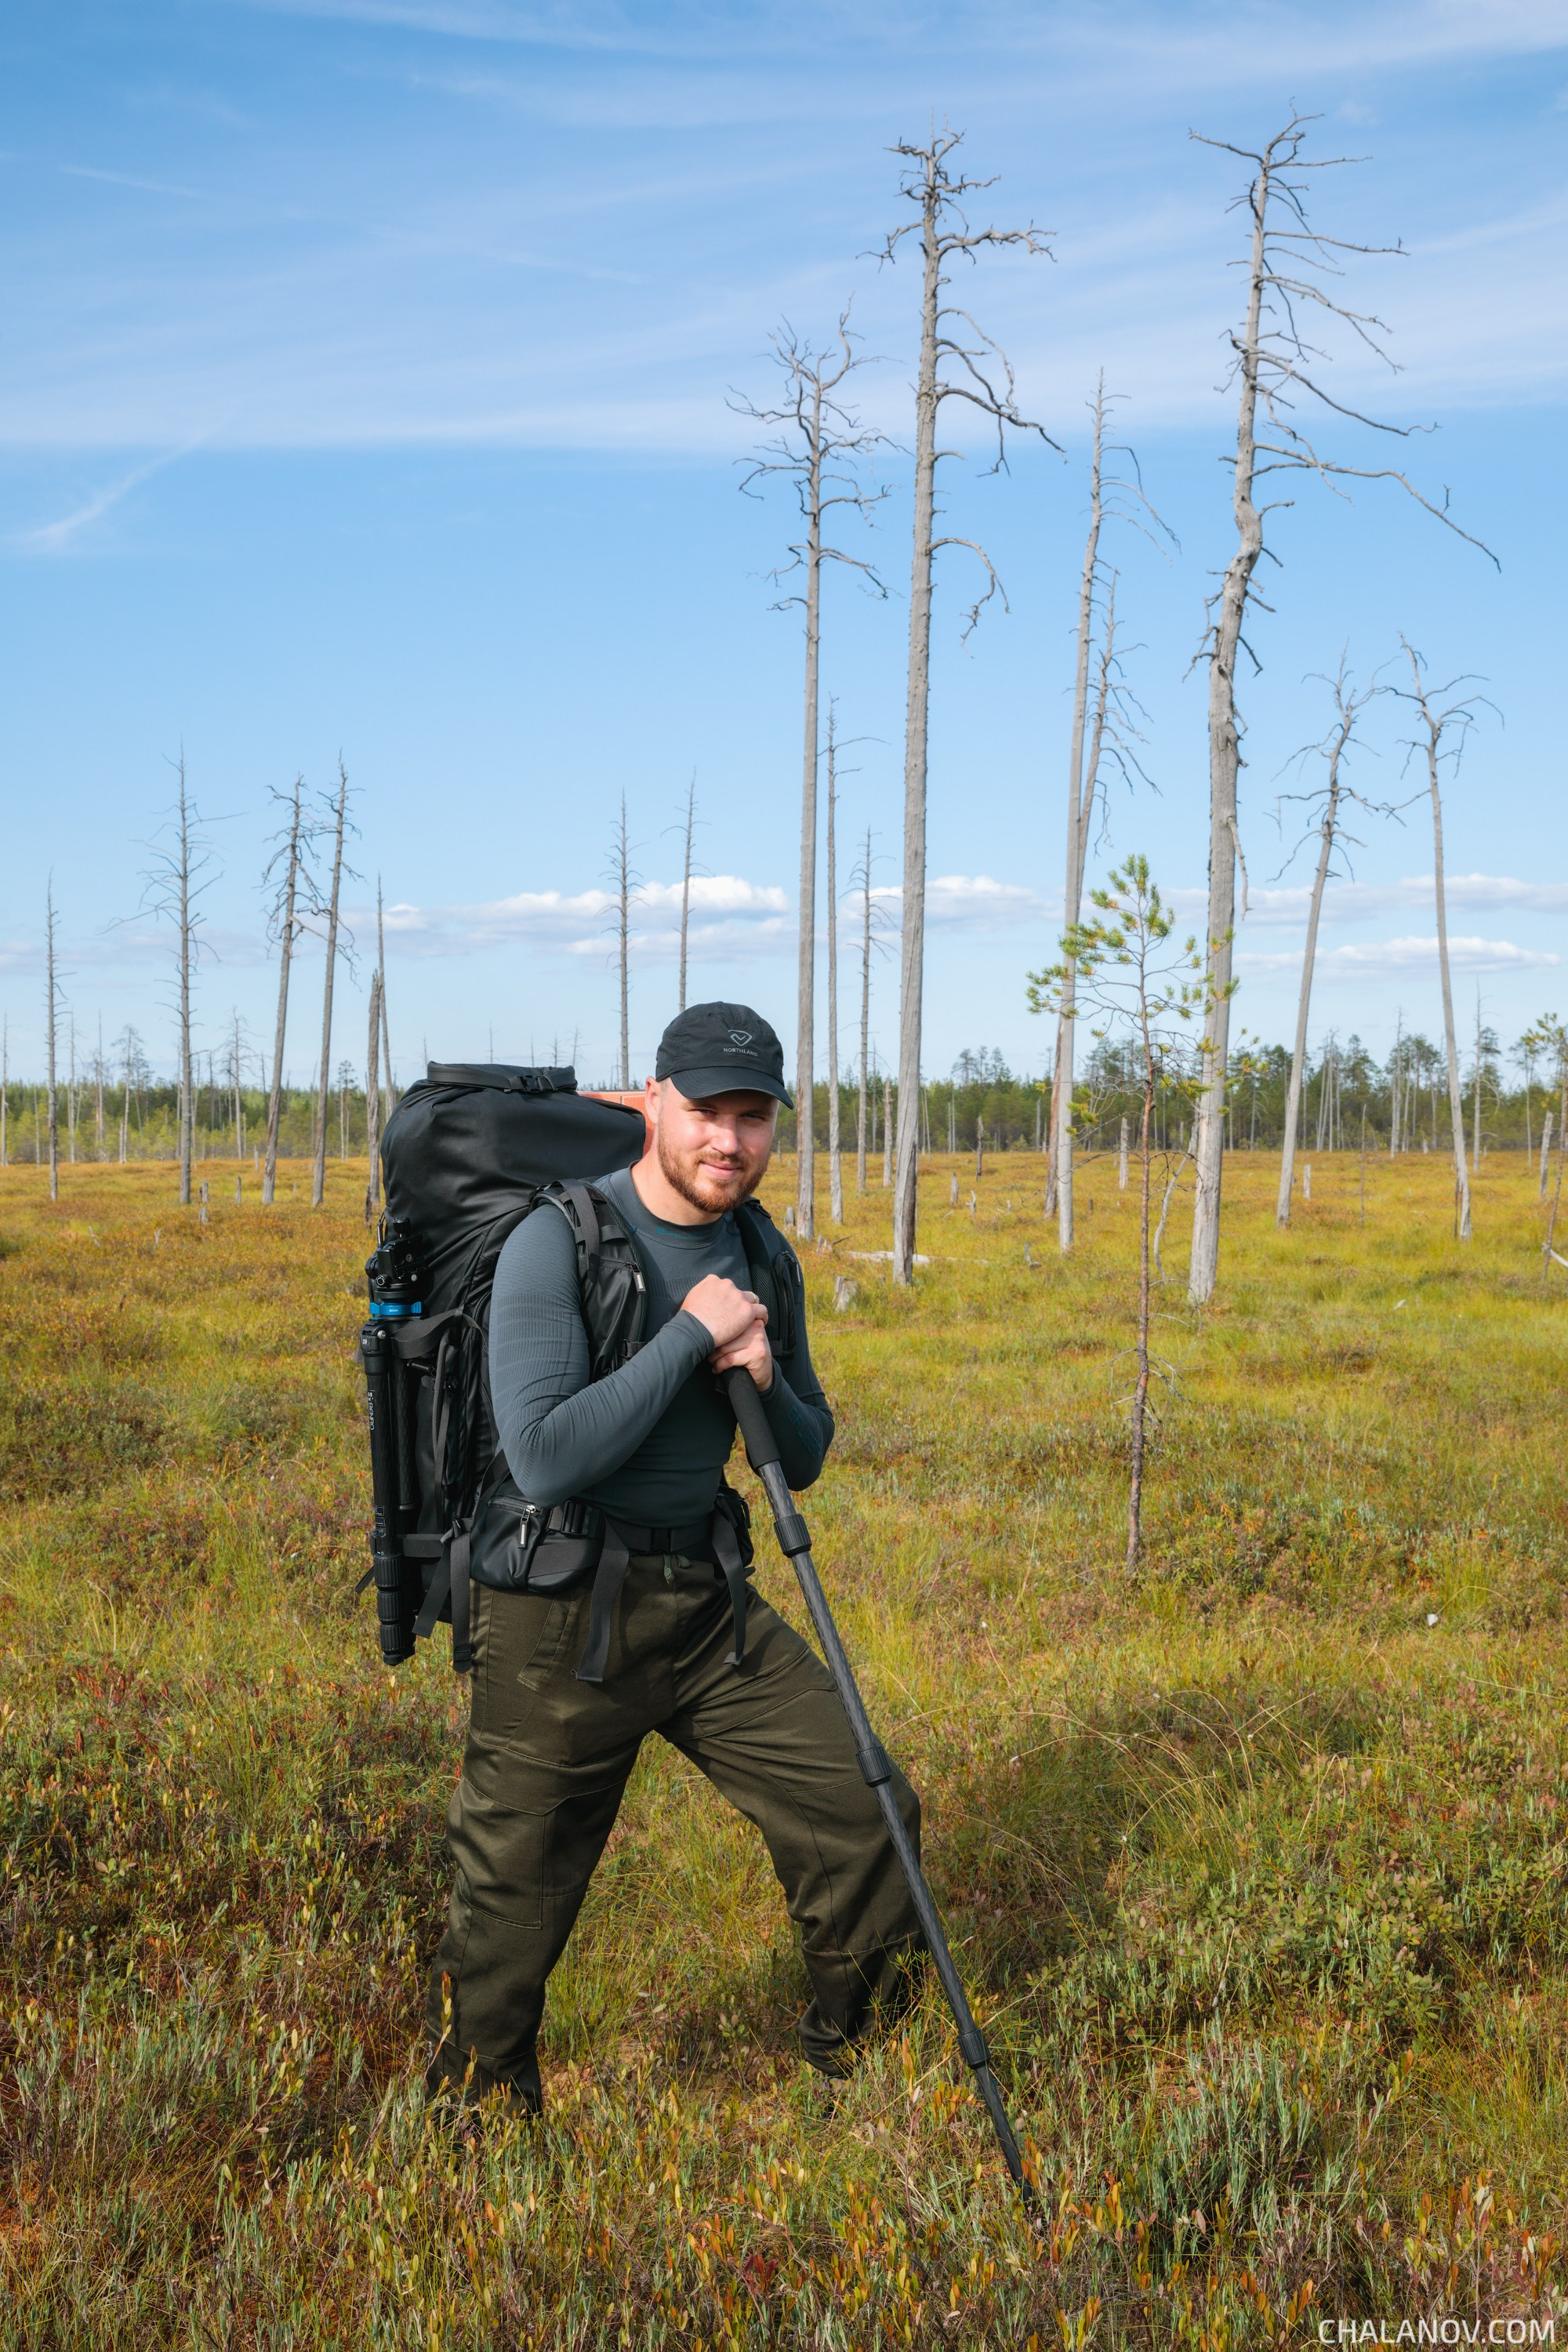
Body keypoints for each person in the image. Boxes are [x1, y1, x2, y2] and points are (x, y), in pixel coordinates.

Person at [425, 1000, 923, 2111]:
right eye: (706, 1111)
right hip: (559, 1611)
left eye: (753, 1117)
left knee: (867, 1811)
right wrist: (692, 1334)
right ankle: (477, 2113)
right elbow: (545, 1456)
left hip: (706, 1602)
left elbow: (805, 1454)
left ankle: (855, 2059)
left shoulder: (761, 1252)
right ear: (653, 1103)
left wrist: (761, 1373)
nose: (728, 1141)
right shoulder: (558, 1239)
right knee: (512, 1896)